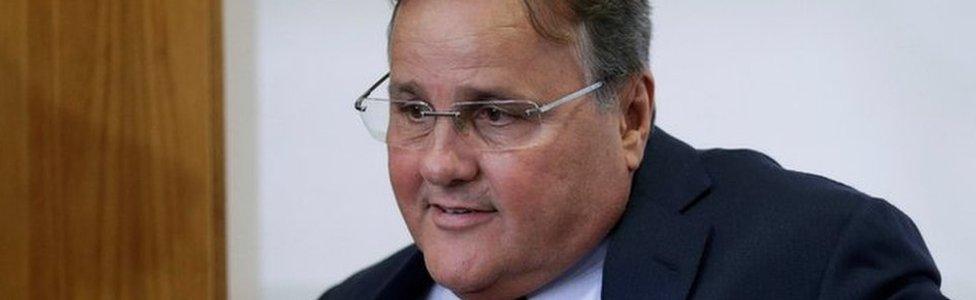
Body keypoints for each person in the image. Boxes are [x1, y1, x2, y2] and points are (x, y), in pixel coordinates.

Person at [323, 0, 946, 299]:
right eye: (414, 111)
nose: (440, 163)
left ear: (629, 116)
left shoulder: (816, 265)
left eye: (494, 115)